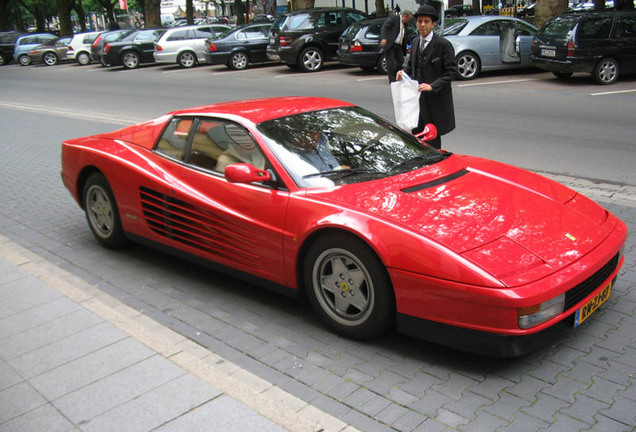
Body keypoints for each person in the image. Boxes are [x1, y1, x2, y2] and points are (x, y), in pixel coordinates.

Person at [396, 4, 457, 149]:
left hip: (434, 102)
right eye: (419, 21)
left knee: (432, 138)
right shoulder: (416, 41)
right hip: (416, 100)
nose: (422, 25)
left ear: (433, 24)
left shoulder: (443, 44)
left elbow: (452, 72)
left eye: (426, 21)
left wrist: (432, 86)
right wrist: (403, 72)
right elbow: (410, 65)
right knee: (416, 136)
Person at [379, 10, 413, 83]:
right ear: (404, 16)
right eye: (408, 19)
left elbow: (405, 35)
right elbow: (385, 27)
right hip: (390, 43)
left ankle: (397, 75)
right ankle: (392, 80)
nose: (408, 21)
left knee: (400, 60)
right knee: (390, 62)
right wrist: (384, 38)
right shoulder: (394, 19)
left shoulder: (404, 24)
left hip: (398, 44)